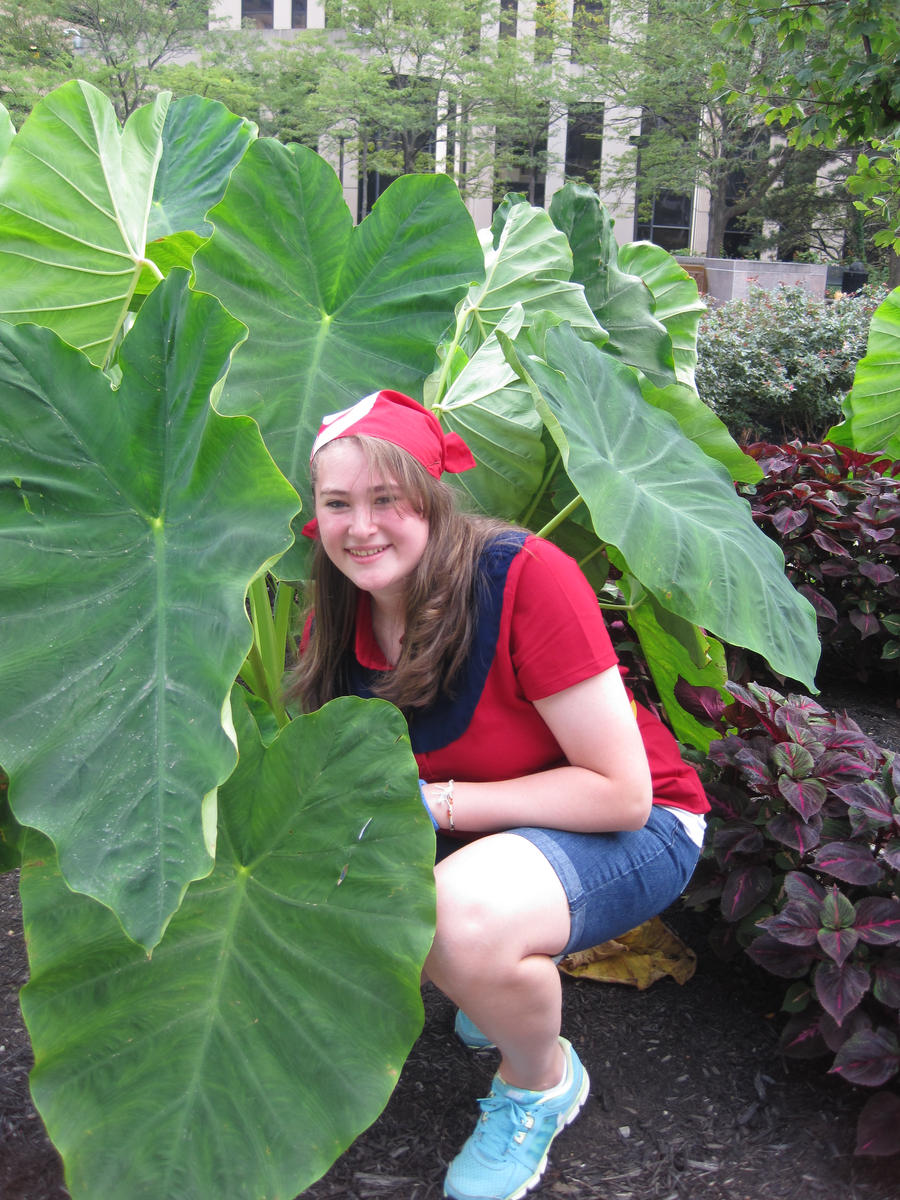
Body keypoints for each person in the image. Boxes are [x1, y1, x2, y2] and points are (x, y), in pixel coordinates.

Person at [288, 389, 709, 1200]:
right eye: (337, 504)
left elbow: (619, 794)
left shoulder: (521, 577)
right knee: (395, 904)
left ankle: (541, 1083)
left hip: (639, 824)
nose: (361, 526)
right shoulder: (335, 620)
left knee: (455, 921)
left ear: (431, 498)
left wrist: (440, 805)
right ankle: (495, 969)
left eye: (387, 499)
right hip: (488, 829)